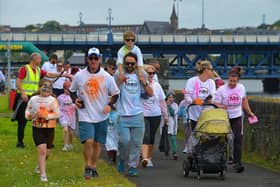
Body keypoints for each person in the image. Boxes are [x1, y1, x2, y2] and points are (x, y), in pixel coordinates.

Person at [69, 47, 120, 180]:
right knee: (88, 142)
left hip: (101, 115)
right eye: (91, 58)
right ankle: (87, 167)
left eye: (95, 58)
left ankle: (94, 165)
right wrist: (75, 100)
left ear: (100, 59)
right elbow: (72, 90)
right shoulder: (80, 75)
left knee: (98, 143)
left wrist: (110, 105)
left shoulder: (106, 76)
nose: (93, 61)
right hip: (85, 114)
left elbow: (115, 94)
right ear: (87, 59)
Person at [116, 52, 153, 176]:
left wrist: (144, 81)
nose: (130, 65)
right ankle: (121, 160)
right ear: (124, 64)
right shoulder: (118, 74)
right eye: (127, 63)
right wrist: (119, 82)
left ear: (136, 63)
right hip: (123, 114)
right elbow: (111, 91)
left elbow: (150, 93)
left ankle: (132, 166)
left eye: (132, 63)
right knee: (124, 141)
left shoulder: (141, 75)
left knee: (136, 143)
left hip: (137, 115)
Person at [14, 53, 63, 148]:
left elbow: (48, 74)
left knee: (42, 118)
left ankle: (45, 141)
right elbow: (18, 82)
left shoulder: (38, 69)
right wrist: (23, 93)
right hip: (25, 97)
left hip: (35, 97)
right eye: (39, 59)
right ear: (34, 59)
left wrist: (59, 75)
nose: (40, 61)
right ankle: (20, 142)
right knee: (22, 121)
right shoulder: (25, 69)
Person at [214, 66, 256, 173]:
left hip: (237, 116)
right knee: (223, 138)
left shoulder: (241, 88)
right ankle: (219, 160)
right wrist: (220, 106)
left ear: (238, 80)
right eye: (231, 81)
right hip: (224, 117)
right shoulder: (221, 90)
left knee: (238, 139)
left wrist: (249, 112)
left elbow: (244, 101)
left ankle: (237, 163)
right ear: (228, 79)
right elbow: (215, 102)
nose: (232, 83)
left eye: (234, 81)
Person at [25, 79, 60, 182]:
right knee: (42, 150)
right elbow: (27, 111)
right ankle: (43, 175)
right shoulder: (34, 99)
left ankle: (39, 165)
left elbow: (57, 114)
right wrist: (29, 116)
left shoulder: (53, 100)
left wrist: (47, 116)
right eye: (44, 86)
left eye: (49, 87)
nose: (46, 89)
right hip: (37, 127)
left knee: (47, 153)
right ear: (39, 87)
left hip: (49, 129)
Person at [141, 65, 168, 167]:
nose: (151, 75)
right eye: (149, 73)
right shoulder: (139, 85)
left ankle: (149, 157)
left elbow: (162, 101)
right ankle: (144, 158)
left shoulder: (157, 85)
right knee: (146, 135)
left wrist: (165, 115)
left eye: (153, 73)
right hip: (144, 114)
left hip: (156, 114)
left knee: (151, 136)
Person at [183, 60, 216, 131]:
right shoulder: (192, 81)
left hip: (207, 114)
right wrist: (194, 101)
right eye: (211, 70)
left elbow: (214, 96)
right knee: (194, 137)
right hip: (193, 114)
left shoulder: (211, 82)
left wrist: (211, 100)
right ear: (206, 70)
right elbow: (187, 97)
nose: (213, 72)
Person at [104, 58, 118, 163]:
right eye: (112, 68)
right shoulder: (103, 78)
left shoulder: (117, 79)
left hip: (117, 109)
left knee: (116, 133)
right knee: (108, 133)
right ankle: (110, 155)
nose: (114, 70)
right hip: (106, 109)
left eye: (115, 68)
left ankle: (115, 153)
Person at [57, 80, 76, 151]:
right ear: (64, 89)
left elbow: (78, 106)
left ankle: (70, 143)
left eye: (70, 89)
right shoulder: (60, 97)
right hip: (63, 115)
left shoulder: (74, 97)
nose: (68, 91)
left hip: (71, 116)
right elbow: (57, 105)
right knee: (65, 130)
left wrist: (73, 105)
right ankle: (65, 145)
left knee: (71, 132)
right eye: (66, 89)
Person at [164, 90, 179, 160]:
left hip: (173, 124)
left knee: (173, 138)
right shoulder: (163, 104)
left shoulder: (175, 105)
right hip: (165, 123)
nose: (171, 99)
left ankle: (174, 152)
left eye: (172, 97)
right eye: (169, 97)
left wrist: (169, 105)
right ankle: (166, 150)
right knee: (166, 139)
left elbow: (173, 113)